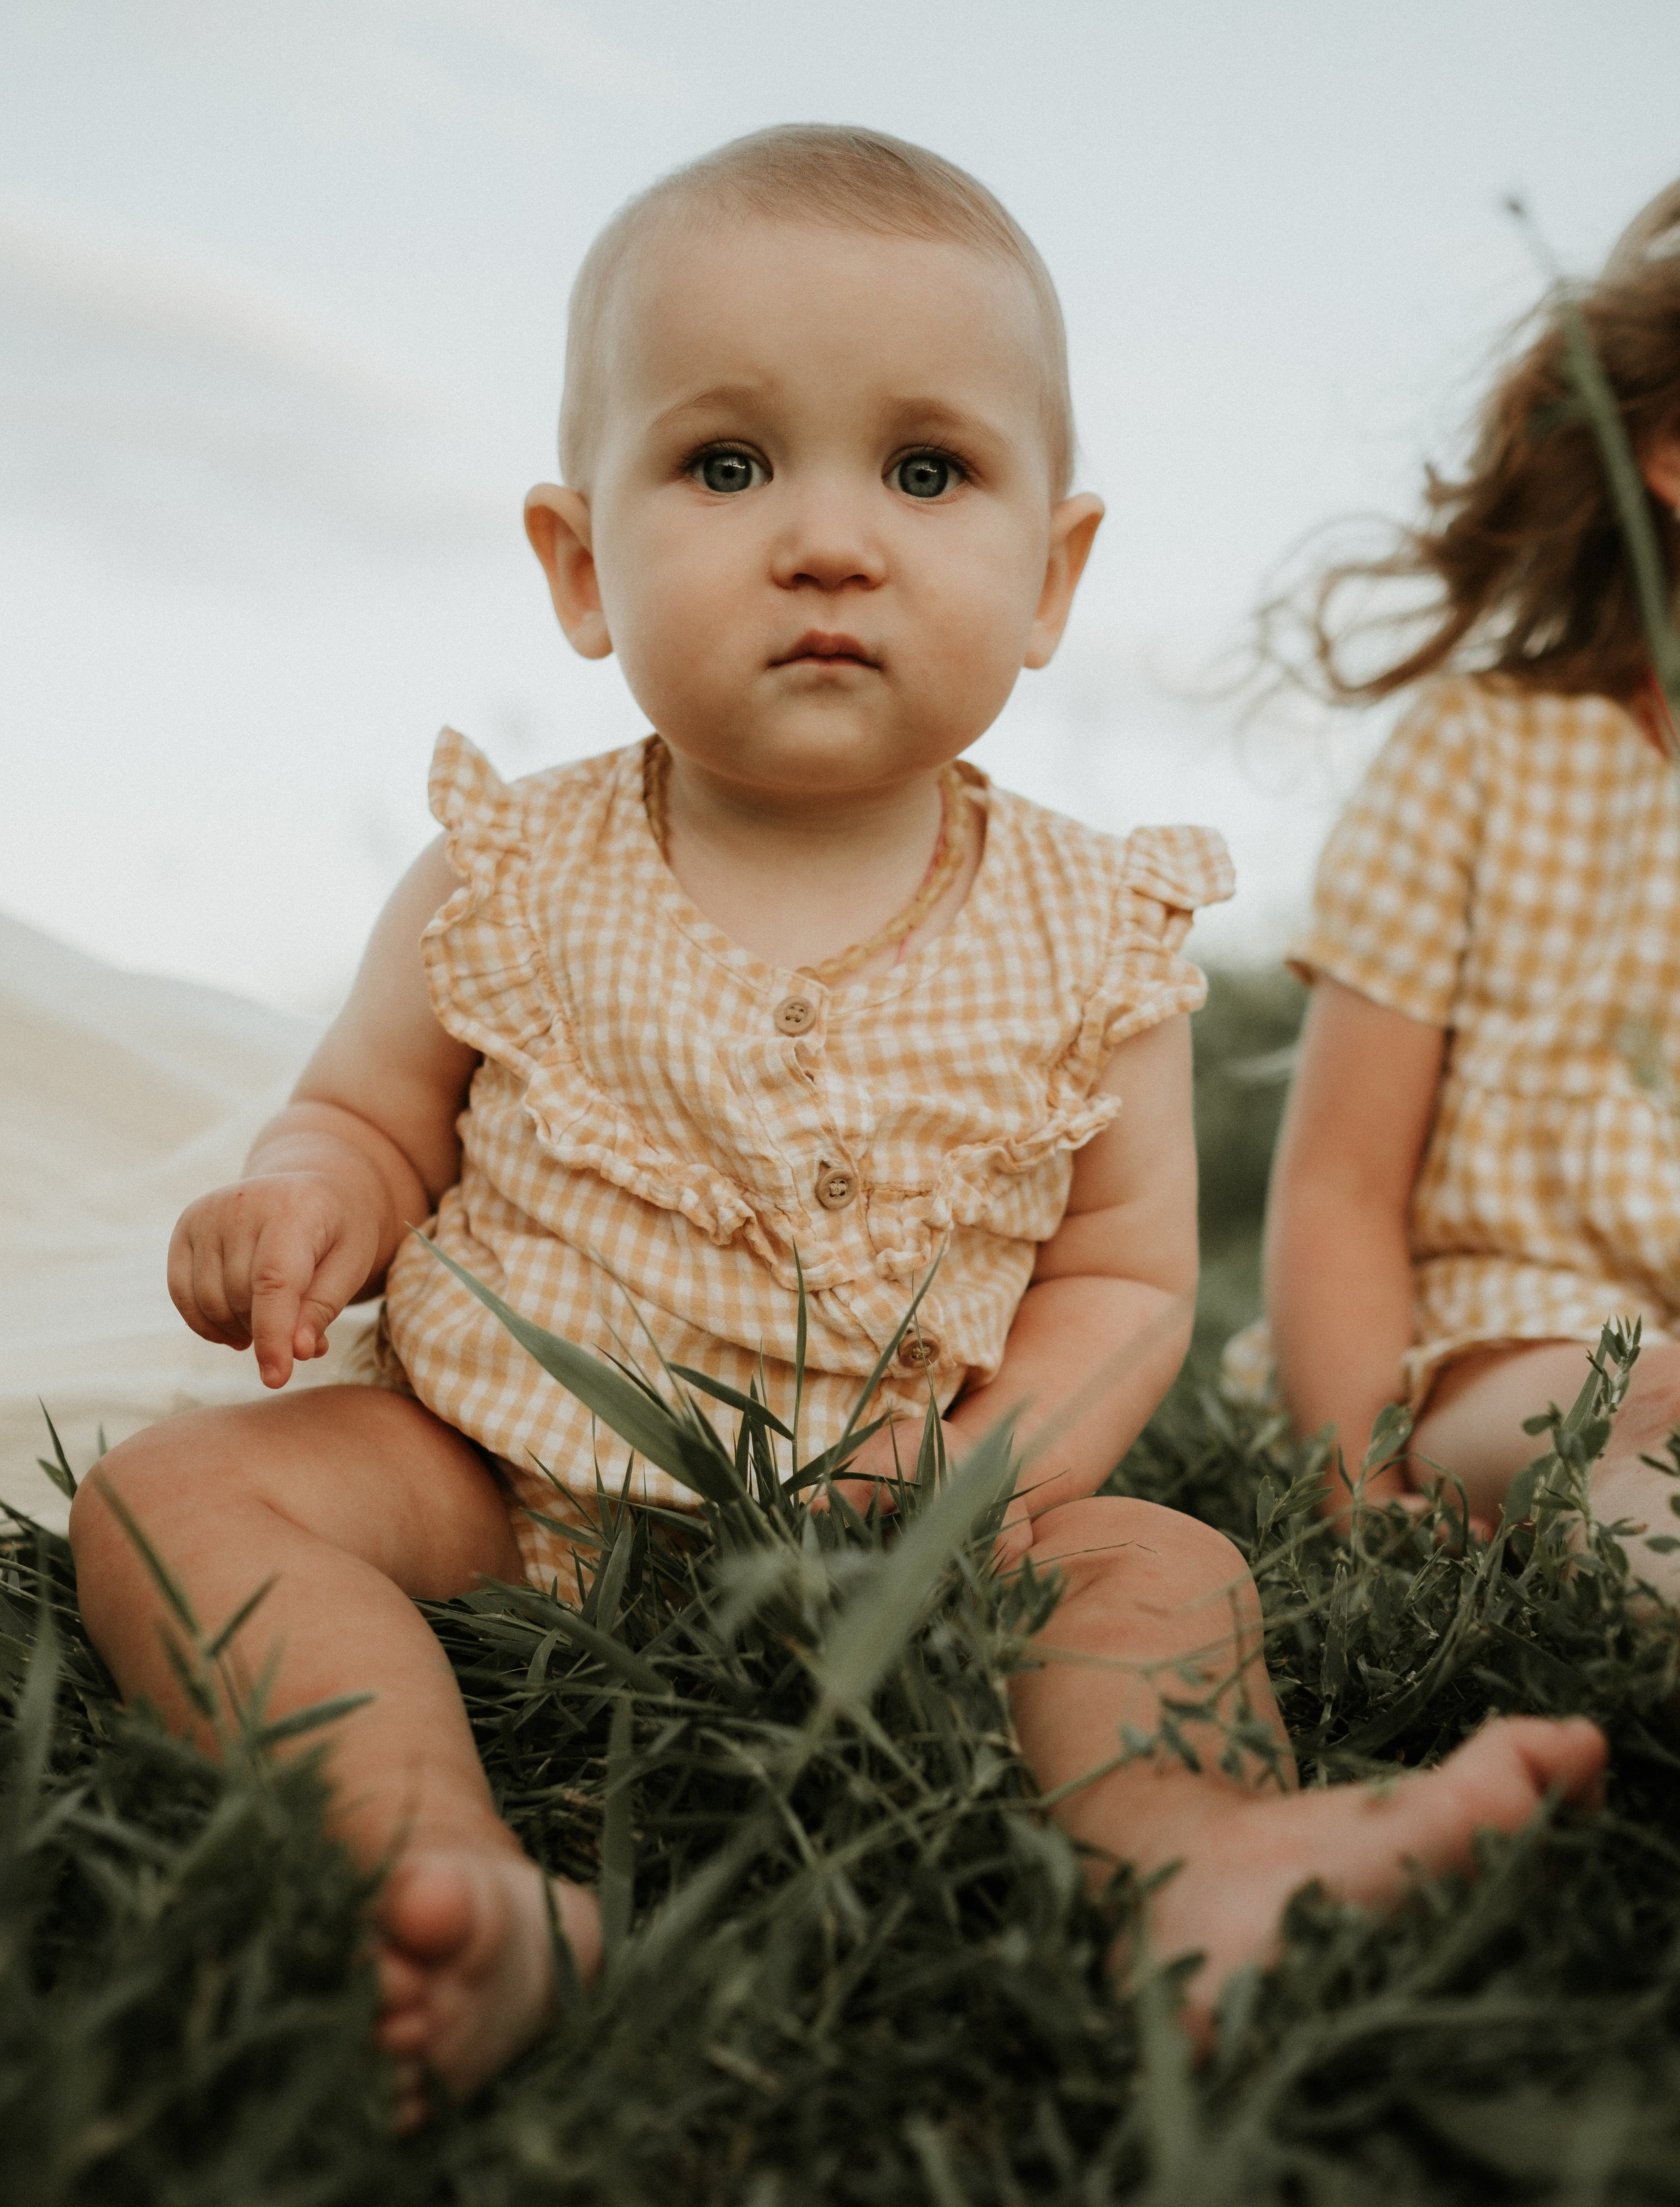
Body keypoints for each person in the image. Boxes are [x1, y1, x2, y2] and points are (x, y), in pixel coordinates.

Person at [67, 126, 1605, 2121]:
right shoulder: (506, 872)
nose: (826, 539)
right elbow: (368, 1113)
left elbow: (1129, 1276)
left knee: (1157, 1562)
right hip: (500, 1469)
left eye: (926, 470)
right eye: (725, 466)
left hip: (929, 1507)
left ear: (1053, 576)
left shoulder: (1093, 929)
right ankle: (439, 1853)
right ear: (576, 562)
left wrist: (975, 1474)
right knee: (185, 1500)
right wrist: (302, 1197)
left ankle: (1198, 1850)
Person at [1263, 178, 1680, 1570]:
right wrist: (1354, 1501)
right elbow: (1337, 1185)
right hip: (1517, 1349)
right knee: (1653, 1436)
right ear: (1668, 452)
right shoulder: (1481, 748)